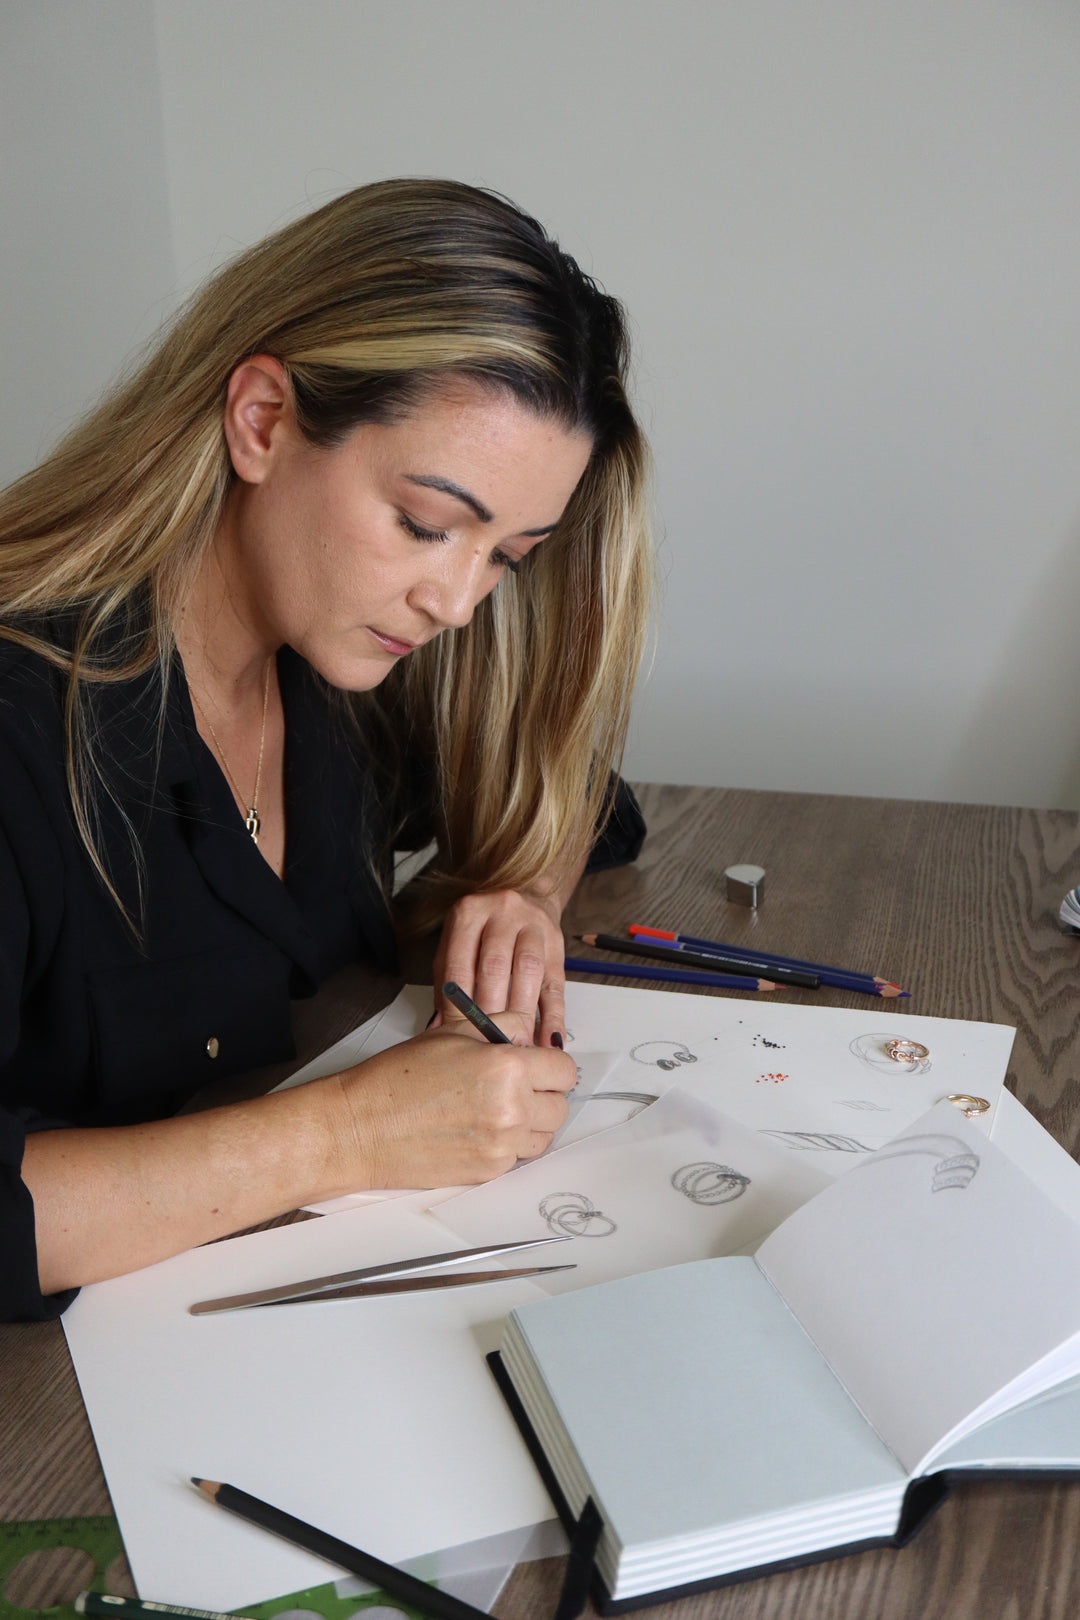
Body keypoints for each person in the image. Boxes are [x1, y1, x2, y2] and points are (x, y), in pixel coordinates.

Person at [0, 178, 654, 1321]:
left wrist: (525, 895)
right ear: (262, 421)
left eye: (508, 556)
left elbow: (585, 796)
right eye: (426, 524)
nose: (457, 600)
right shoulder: (22, 730)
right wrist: (350, 1134)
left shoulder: (345, 667)